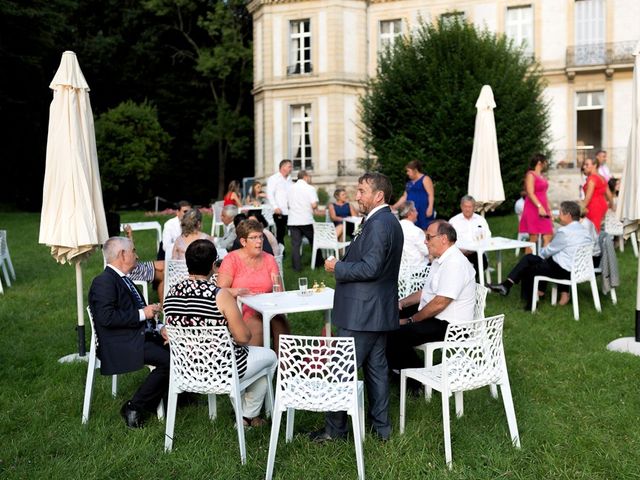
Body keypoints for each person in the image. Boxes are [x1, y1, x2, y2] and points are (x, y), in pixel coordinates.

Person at [314, 172, 403, 442]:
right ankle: (382, 429)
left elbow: (372, 267)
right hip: (377, 310)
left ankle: (334, 431)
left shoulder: (378, 224)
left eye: (362, 190)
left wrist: (337, 266)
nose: (357, 195)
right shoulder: (386, 221)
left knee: (340, 370)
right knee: (376, 371)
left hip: (361, 313)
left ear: (378, 195)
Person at [163, 240, 277, 427]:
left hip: (186, 367)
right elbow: (243, 338)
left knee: (259, 363)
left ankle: (247, 415)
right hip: (221, 367)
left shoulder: (171, 294)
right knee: (270, 357)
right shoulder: (219, 295)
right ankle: (248, 416)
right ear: (213, 266)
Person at [88, 236, 168, 428]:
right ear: (122, 254)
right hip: (120, 343)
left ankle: (174, 397)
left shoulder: (123, 279)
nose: (137, 255)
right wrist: (143, 313)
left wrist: (159, 327)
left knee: (179, 349)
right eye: (133, 251)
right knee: (169, 360)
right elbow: (106, 318)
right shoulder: (104, 281)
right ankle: (134, 406)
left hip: (135, 335)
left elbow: (139, 316)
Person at [386, 220, 475, 373]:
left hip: (451, 325)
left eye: (428, 237)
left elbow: (440, 303)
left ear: (444, 239)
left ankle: (415, 379)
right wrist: (401, 303)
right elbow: (426, 293)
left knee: (396, 332)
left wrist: (411, 320)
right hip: (437, 316)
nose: (425, 241)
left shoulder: (455, 263)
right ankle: (396, 366)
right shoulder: (440, 260)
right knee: (386, 317)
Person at [489, 201, 592, 308]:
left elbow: (547, 252)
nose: (559, 216)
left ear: (568, 215)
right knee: (529, 258)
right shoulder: (584, 231)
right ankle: (506, 285)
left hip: (563, 270)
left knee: (530, 268)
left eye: (561, 213)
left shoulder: (564, 232)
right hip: (578, 268)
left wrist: (546, 242)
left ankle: (530, 304)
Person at [217, 219, 290, 352]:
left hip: (269, 306)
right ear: (243, 241)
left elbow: (279, 290)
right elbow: (219, 291)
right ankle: (257, 368)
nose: (259, 241)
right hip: (244, 308)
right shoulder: (231, 259)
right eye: (254, 238)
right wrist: (237, 291)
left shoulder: (269, 258)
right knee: (257, 328)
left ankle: (285, 368)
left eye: (261, 237)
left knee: (281, 324)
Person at [449, 195, 492, 282]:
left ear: (474, 207)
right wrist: (460, 250)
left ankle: (473, 282)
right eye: (465, 206)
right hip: (459, 252)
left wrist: (478, 248)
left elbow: (488, 236)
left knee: (483, 263)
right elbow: (449, 240)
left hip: (476, 251)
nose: (467, 209)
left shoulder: (480, 220)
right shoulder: (454, 221)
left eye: (470, 207)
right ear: (461, 206)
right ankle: (467, 282)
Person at [287, 170, 322, 271]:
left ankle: (296, 268)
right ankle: (318, 263)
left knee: (295, 245)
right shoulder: (310, 188)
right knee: (315, 241)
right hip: (306, 220)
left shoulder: (290, 188)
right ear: (306, 177)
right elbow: (314, 205)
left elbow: (288, 203)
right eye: (309, 177)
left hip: (293, 220)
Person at [518, 153, 553, 252]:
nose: (546, 164)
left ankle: (543, 260)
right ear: (539, 162)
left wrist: (548, 207)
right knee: (533, 238)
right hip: (533, 208)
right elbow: (530, 192)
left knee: (548, 234)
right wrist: (539, 206)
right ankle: (528, 263)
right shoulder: (530, 174)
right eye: (545, 161)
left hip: (543, 207)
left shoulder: (542, 176)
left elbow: (544, 193)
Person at [122, 224, 166, 303]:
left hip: (135, 267)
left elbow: (130, 250)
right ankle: (164, 305)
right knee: (163, 275)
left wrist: (129, 236)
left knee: (165, 265)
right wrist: (129, 236)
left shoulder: (113, 243)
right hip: (132, 270)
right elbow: (130, 251)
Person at [392, 160, 435, 230]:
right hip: (411, 211)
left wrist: (430, 208)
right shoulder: (409, 183)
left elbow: (431, 195)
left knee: (425, 229)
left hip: (423, 210)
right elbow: (404, 197)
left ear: (415, 170)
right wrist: (394, 206)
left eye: (408, 171)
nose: (407, 173)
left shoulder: (425, 179)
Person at [582, 157, 613, 233]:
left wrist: (580, 209)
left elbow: (588, 197)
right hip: (602, 205)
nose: (584, 167)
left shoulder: (592, 178)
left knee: (593, 231)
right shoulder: (602, 177)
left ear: (595, 165)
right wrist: (611, 206)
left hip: (593, 206)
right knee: (596, 229)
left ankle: (595, 245)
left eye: (586, 164)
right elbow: (609, 195)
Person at [266, 159, 293, 245]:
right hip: (278, 211)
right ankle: (280, 253)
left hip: (290, 211)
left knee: (292, 233)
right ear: (283, 167)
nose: (291, 168)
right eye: (289, 166)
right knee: (280, 233)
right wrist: (275, 207)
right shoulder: (273, 179)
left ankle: (293, 251)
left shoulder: (289, 179)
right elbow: (270, 194)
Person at [397, 201, 429, 265]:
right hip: (417, 270)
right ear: (410, 213)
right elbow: (427, 251)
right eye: (415, 210)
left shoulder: (395, 228)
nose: (417, 213)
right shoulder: (416, 231)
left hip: (400, 270)